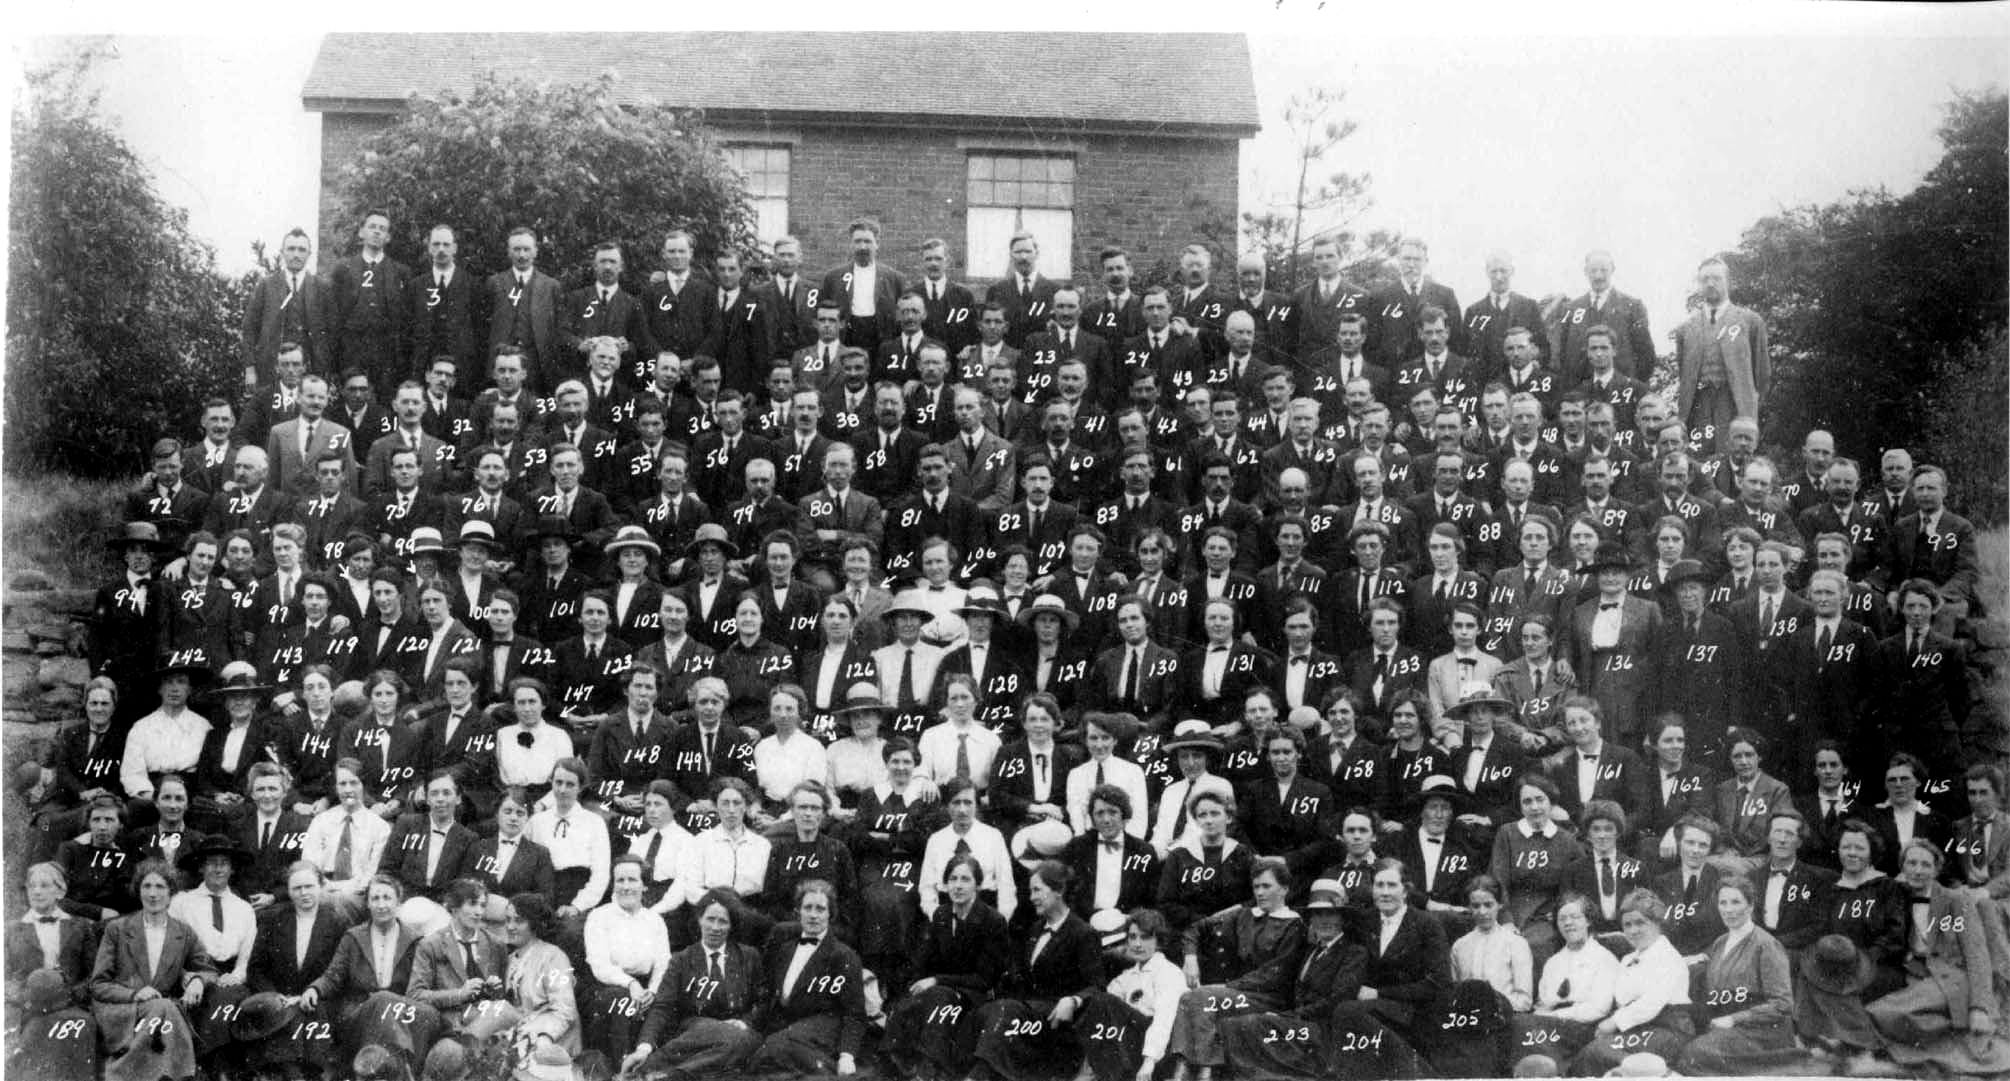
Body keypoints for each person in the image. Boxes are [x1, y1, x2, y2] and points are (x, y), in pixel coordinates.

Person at [1865, 840, 2008, 1076]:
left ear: (1936, 870)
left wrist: (1979, 1007)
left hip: (1952, 977)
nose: (1918, 870)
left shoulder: (1955, 900)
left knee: (1884, 1012)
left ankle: (1958, 1050)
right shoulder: (1896, 896)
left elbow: (1977, 955)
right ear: (1902, 867)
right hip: (1917, 972)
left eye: (1925, 865)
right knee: (1878, 1012)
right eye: (1911, 863)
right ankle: (1952, 1040)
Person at [968, 861, 1105, 1081]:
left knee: (1005, 1011)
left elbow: (1097, 987)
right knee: (987, 1011)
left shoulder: (1083, 933)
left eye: (1037, 890)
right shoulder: (1035, 929)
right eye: (1030, 891)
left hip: (1057, 1022)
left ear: (1059, 890)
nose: (1032, 897)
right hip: (1029, 1014)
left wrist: (1073, 1000)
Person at [620, 889, 768, 1078]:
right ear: (699, 920)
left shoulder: (748, 956)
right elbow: (663, 1007)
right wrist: (644, 1048)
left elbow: (762, 1002)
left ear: (731, 925)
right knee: (729, 1047)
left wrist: (744, 1022)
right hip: (695, 1034)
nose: (715, 927)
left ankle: (667, 1076)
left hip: (739, 1033)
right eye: (710, 919)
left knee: (739, 1042)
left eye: (723, 921)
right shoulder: (681, 960)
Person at [90, 858, 214, 1081]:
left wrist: (197, 980)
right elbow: (98, 984)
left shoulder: (183, 932)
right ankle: (178, 1075)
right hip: (121, 1010)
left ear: (171, 893)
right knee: (165, 1008)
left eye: (160, 887)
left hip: (159, 1013)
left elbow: (208, 970)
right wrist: (135, 994)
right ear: (138, 892)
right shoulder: (117, 929)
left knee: (163, 1007)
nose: (153, 894)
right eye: (146, 886)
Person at [1325, 858, 1453, 1065]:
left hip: (1412, 1012)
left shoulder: (1427, 925)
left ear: (1405, 891)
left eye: (1392, 885)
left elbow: (1439, 982)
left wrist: (1379, 994)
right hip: (1371, 1009)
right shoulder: (1365, 921)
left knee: (1347, 1011)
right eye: (1379, 885)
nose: (1385, 892)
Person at [302, 875, 440, 1064]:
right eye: (375, 898)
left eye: (387, 898)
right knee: (381, 1000)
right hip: (360, 1011)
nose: (381, 905)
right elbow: (333, 976)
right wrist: (315, 989)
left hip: (402, 1011)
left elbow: (426, 983)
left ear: (398, 903)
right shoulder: (353, 937)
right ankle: (396, 1068)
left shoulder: (415, 940)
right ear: (367, 904)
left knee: (388, 1002)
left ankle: (388, 1068)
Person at [844, 737, 944, 986]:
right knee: (873, 899)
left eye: (906, 762)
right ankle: (873, 971)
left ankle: (898, 975)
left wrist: (879, 836)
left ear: (915, 764)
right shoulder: (871, 795)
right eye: (895, 761)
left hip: (911, 866)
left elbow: (923, 841)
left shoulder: (925, 796)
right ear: (886, 763)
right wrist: (899, 838)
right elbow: (857, 837)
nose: (901, 767)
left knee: (898, 901)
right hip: (874, 865)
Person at [745, 878, 867, 1075]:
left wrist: (847, 1056)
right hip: (787, 1025)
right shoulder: (785, 950)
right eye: (807, 908)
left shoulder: (843, 955)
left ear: (830, 914)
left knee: (773, 1049)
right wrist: (748, 1023)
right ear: (798, 912)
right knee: (755, 1052)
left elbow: (855, 1013)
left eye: (820, 909)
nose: (813, 915)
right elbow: (769, 996)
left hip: (823, 1028)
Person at [1677, 875, 1797, 1074]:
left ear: (1750, 906)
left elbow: (1783, 1004)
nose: (1728, 909)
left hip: (1762, 1030)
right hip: (1726, 1023)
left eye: (1735, 902)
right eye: (1723, 903)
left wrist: (1734, 1019)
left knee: (1695, 1055)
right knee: (1681, 1045)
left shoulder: (1766, 945)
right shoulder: (1720, 942)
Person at [238, 862, 348, 1072]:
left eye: (309, 886)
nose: (303, 893)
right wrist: (273, 995)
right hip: (278, 998)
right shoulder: (272, 919)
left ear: (320, 887)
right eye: (297, 888)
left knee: (310, 1018)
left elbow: (339, 970)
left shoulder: (336, 921)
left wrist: (312, 992)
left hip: (317, 1000)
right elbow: (255, 968)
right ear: (288, 891)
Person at [1070, 908, 1188, 1081]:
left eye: (1145, 937)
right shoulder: (1127, 976)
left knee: (1104, 1001)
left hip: (1157, 1053)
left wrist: (1149, 1062)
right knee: (1096, 1001)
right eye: (1133, 937)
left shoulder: (1168, 972)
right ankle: (1090, 1071)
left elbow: (1164, 1021)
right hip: (1128, 1046)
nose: (1137, 944)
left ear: (1159, 941)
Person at [462, 892, 580, 1062]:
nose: (510, 927)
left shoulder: (553, 956)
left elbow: (565, 1011)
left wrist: (543, 1036)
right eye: (507, 920)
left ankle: (461, 1057)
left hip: (549, 1037)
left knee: (500, 1012)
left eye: (518, 921)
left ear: (534, 924)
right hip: (517, 1032)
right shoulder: (510, 959)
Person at [6, 862, 100, 1076]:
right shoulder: (11, 930)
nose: (37, 891)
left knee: (79, 1025)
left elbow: (94, 975)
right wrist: (24, 997)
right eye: (32, 886)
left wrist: (72, 995)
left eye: (44, 885)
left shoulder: (80, 926)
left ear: (60, 891)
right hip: (25, 1006)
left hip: (70, 1004)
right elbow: (5, 976)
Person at [1510, 893, 1618, 1063]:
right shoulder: (1553, 962)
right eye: (1562, 919)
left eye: (1575, 917)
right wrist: (1542, 1017)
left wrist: (1554, 1016)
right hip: (1551, 1026)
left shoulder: (1603, 958)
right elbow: (1543, 1005)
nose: (1568, 923)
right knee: (1520, 1025)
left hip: (1585, 1028)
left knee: (1525, 1027)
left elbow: (1599, 1008)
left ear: (1588, 921)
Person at [581, 855, 670, 1055]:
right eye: (620, 880)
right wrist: (631, 984)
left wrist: (652, 992)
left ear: (644, 885)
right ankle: (620, 1065)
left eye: (632, 880)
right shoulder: (599, 917)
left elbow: (663, 964)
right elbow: (600, 966)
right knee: (621, 1001)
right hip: (605, 987)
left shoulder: (654, 920)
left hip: (645, 988)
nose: (626, 886)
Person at [1490, 774, 1580, 969]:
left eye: (1540, 800)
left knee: (1537, 946)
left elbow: (1574, 886)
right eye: (1527, 802)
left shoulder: (1566, 840)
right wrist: (1506, 920)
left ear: (1551, 803)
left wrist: (1559, 912)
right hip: (1511, 911)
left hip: (1546, 916)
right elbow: (1498, 880)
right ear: (1520, 806)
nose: (1534, 807)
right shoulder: (1507, 833)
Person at [405, 877, 508, 1039]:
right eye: (472, 904)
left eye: (482, 905)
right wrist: (459, 994)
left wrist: (495, 991)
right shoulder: (431, 945)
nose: (479, 912)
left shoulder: (496, 945)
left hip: (490, 1026)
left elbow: (504, 998)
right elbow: (415, 995)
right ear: (454, 907)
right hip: (449, 1027)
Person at [1451, 874, 1535, 1012]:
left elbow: (1524, 1001)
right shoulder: (1460, 946)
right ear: (1469, 907)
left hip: (1504, 1017)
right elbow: (1455, 994)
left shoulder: (1516, 944)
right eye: (1476, 906)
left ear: (1499, 904)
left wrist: (1491, 1005)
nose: (1482, 912)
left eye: (1488, 905)